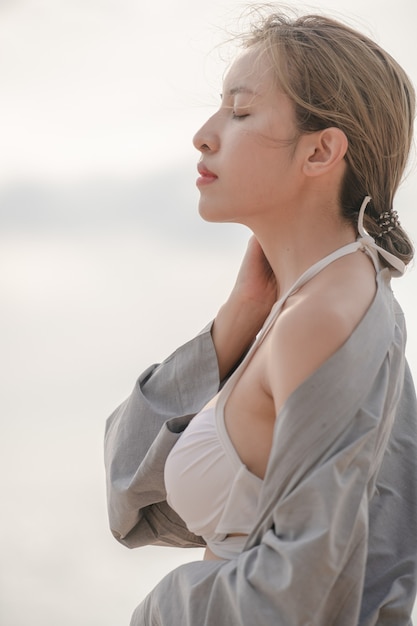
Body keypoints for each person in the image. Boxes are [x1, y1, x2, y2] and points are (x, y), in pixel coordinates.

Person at [104, 9, 417, 625]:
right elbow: (131, 495)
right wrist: (236, 320)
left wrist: (162, 606)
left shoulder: (322, 320)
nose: (204, 133)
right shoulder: (313, 304)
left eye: (241, 113)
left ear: (322, 150)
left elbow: (306, 596)